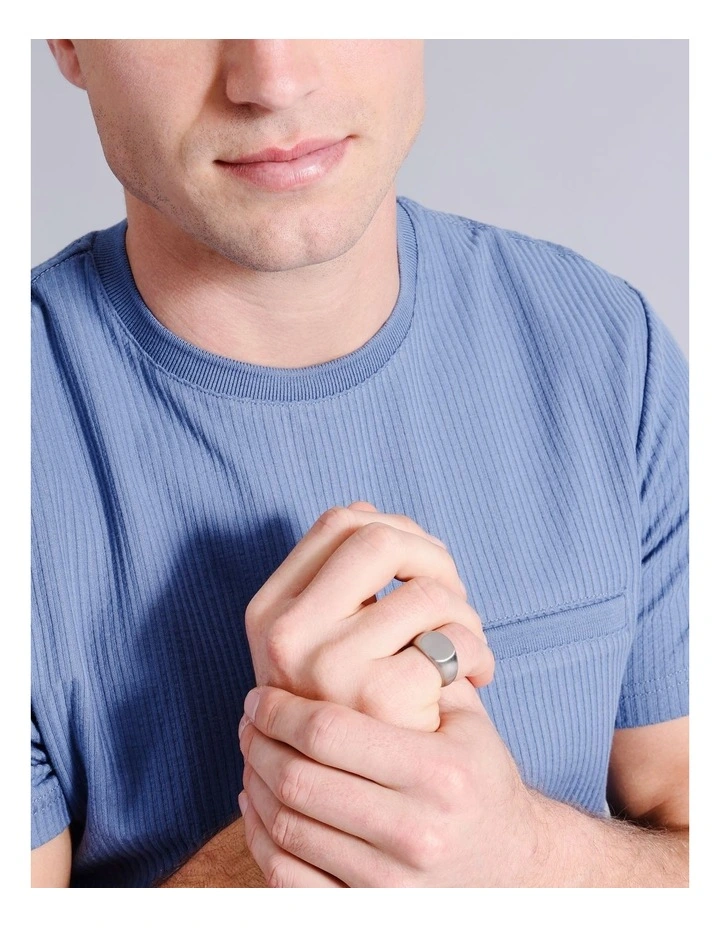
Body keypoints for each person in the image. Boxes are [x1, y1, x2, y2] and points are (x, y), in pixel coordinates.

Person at [31, 40, 689, 888]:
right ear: (67, 36)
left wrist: (523, 854)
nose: (274, 81)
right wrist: (316, 803)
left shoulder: (608, 348)